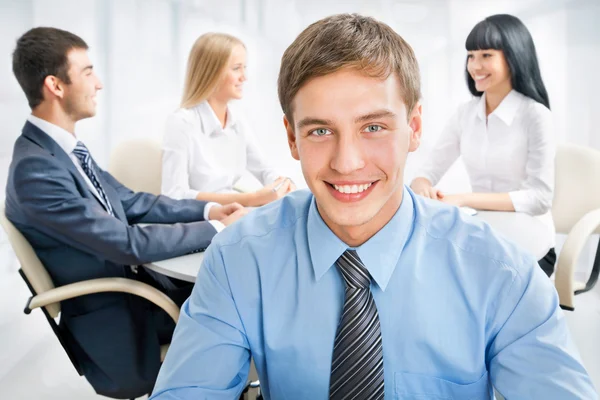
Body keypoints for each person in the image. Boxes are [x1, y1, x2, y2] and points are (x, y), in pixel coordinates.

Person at [150, 14, 596, 400]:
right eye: (320, 132)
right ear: (291, 137)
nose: (347, 163)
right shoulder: (238, 260)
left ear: (414, 127)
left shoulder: (502, 275)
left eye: (374, 127)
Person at [5, 27, 246, 399]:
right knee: (248, 310)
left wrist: (211, 208)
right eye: (87, 72)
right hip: (125, 320)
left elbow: (134, 202)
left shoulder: (62, 152)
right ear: (56, 85)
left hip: (143, 295)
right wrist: (215, 228)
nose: (98, 84)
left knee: (246, 293)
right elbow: (124, 243)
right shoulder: (37, 170)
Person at [410, 14, 557, 276]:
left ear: (514, 56)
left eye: (486, 55)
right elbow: (428, 170)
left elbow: (540, 198)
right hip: (486, 233)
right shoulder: (465, 114)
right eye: (471, 55)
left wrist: (464, 198)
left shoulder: (535, 116)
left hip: (531, 241)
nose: (475, 65)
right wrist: (422, 185)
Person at [161, 32, 295, 207]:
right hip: (201, 219)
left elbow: (264, 170)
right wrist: (251, 199)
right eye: (236, 68)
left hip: (235, 211)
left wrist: (282, 184)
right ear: (212, 72)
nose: (244, 77)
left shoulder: (237, 120)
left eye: (244, 68)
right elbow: (174, 196)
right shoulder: (181, 123)